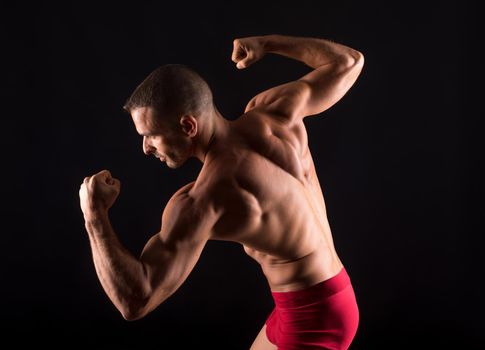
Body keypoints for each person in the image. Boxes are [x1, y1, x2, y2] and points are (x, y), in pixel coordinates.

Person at [79, 34, 364, 349]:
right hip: (319, 298)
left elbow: (136, 300)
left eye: (152, 135)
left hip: (313, 320)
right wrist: (268, 44)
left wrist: (94, 215)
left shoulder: (205, 198)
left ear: (189, 126)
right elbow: (348, 62)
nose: (146, 148)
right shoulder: (274, 113)